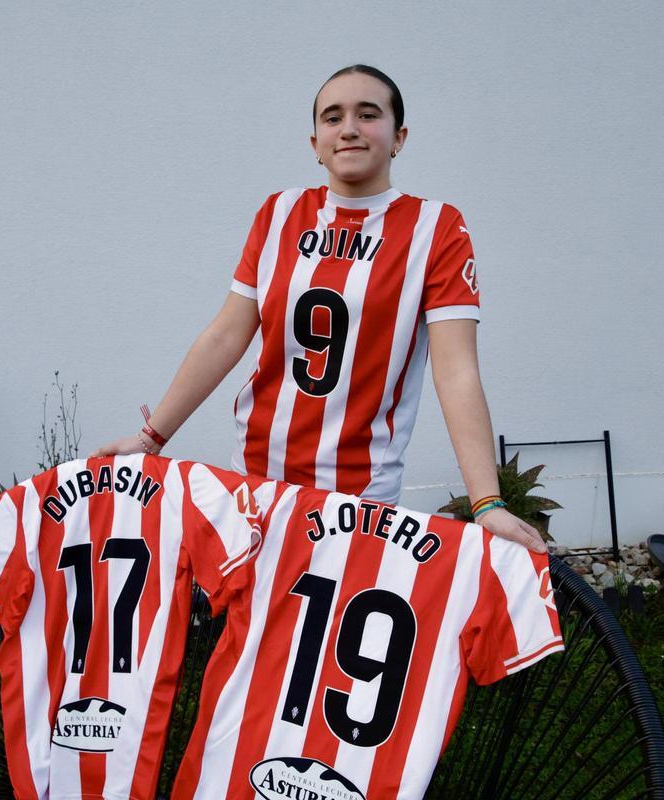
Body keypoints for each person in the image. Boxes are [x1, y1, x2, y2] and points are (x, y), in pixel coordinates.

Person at [92, 64, 545, 555]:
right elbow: (226, 335)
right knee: (255, 627)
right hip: (258, 476)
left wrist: (487, 502)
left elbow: (456, 371)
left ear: (399, 136)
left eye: (368, 114)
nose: (348, 127)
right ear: (315, 143)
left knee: (332, 630)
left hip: (359, 493)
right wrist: (151, 437)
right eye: (333, 117)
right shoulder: (279, 213)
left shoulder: (436, 227)